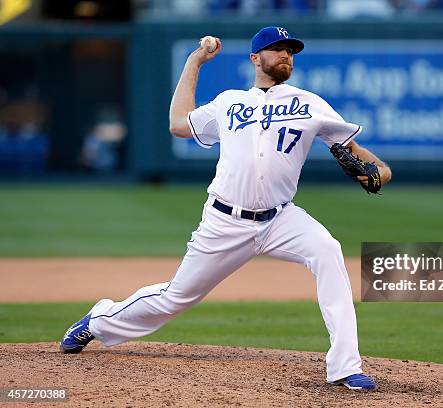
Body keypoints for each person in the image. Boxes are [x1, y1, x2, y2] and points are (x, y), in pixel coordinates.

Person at [59, 26, 392, 391]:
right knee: (175, 298)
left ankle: (345, 366)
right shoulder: (230, 101)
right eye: (276, 49)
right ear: (255, 58)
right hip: (225, 220)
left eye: (290, 51)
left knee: (328, 251)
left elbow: (355, 150)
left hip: (281, 218)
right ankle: (99, 319)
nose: (285, 55)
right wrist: (194, 62)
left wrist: (383, 171)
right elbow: (178, 124)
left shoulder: (310, 103)